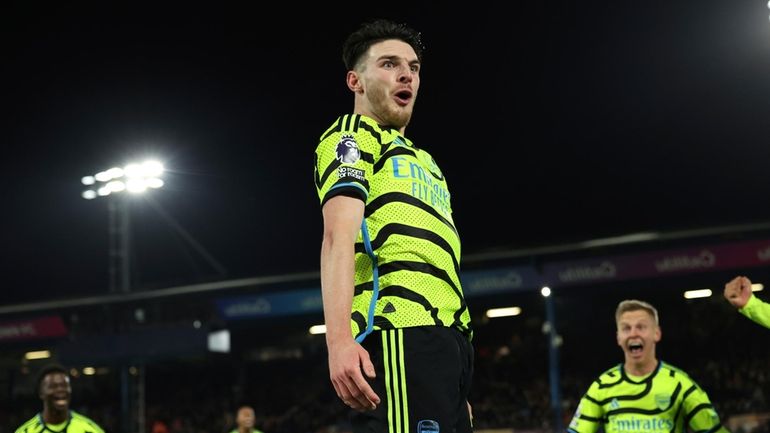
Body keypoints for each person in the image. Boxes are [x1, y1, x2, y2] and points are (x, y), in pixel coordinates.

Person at [313, 18, 474, 433]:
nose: (406, 74)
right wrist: (338, 342)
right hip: (399, 330)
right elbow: (338, 237)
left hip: (449, 345)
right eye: (388, 64)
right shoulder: (353, 136)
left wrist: (456, 383)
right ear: (356, 81)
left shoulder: (427, 162)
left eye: (414, 67)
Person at [568, 299, 728, 433]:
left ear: (656, 333)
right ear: (618, 337)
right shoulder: (601, 387)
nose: (633, 333)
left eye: (641, 327)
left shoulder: (681, 385)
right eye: (626, 328)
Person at [15, 363, 105, 433]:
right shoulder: (26, 431)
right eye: (53, 386)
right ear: (41, 393)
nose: (61, 390)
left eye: (64, 385)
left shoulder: (90, 430)